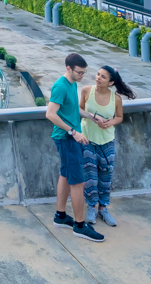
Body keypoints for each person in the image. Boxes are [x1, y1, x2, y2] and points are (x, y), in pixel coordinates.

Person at [46, 52, 103, 242]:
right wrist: (73, 132)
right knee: (78, 182)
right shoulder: (60, 86)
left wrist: (90, 116)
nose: (82, 76)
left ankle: (60, 216)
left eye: (84, 72)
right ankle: (80, 225)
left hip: (70, 138)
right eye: (79, 72)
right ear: (68, 69)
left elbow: (72, 109)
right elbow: (51, 114)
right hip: (67, 139)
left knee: (65, 175)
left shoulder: (71, 84)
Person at [81, 64, 135, 227]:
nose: (98, 78)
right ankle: (91, 207)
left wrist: (109, 123)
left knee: (105, 176)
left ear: (111, 82)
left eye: (103, 77)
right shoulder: (86, 91)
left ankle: (103, 208)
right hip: (87, 139)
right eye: (98, 74)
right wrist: (91, 117)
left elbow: (119, 117)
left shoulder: (115, 98)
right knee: (90, 176)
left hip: (107, 141)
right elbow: (79, 109)